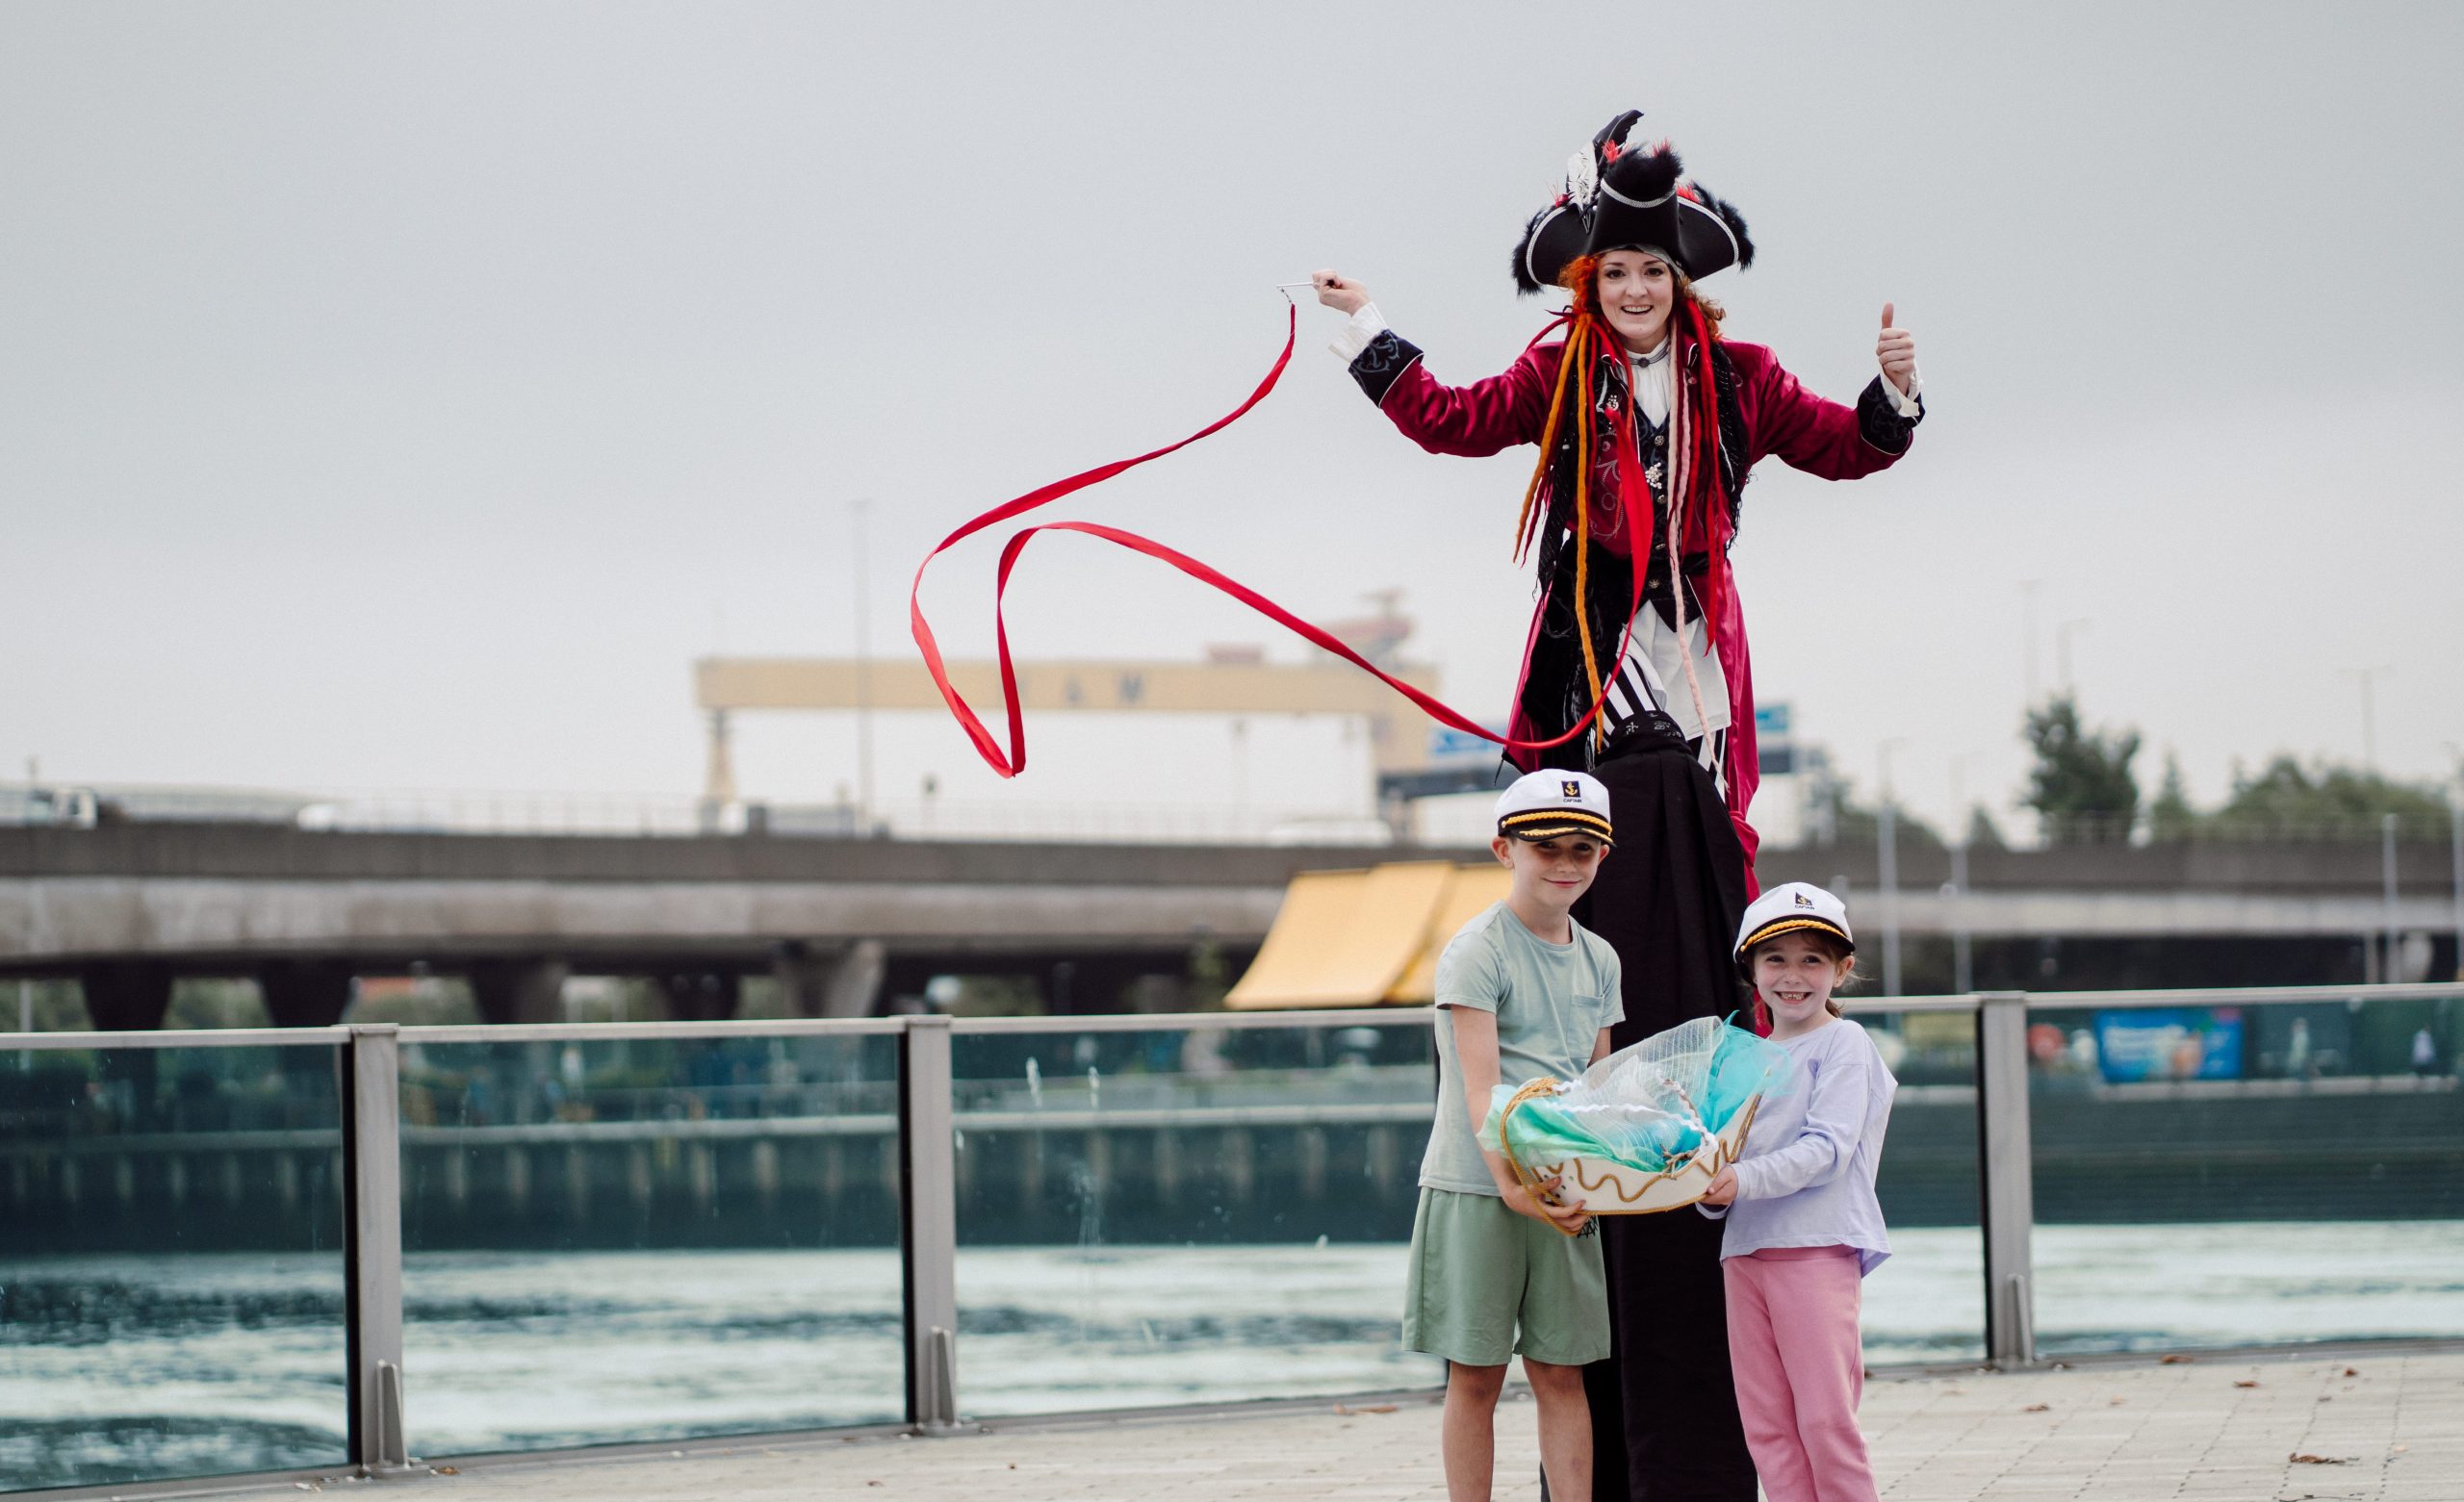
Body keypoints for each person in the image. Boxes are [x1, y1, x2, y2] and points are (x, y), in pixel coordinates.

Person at [1316, 109, 1923, 1501]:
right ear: (1586, 280)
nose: (1634, 289)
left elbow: (1854, 449)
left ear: (1682, 277)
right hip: (1585, 693)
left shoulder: (1744, 377)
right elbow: (1451, 421)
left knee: (1701, 955)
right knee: (1583, 944)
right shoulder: (1558, 372)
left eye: (1652, 270)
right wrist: (1368, 328)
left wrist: (1894, 390)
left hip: (1698, 700)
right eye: (1613, 271)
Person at [1408, 768, 1625, 1502]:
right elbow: (1478, 1085)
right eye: (1547, 848)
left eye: (1582, 850)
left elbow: (1598, 1088)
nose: (1565, 863)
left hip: (1562, 1188)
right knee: (1476, 1375)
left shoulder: (1602, 958)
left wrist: (1607, 1174)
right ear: (1504, 850)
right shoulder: (1477, 949)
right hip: (1478, 1184)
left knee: (1564, 1372)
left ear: (1603, 856)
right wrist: (1510, 1182)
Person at [1699, 882, 1897, 1502]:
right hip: (1745, 1254)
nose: (1793, 976)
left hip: (1817, 1251)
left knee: (1825, 1422)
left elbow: (1829, 1148)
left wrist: (1738, 1179)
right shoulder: (1741, 1058)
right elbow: (1720, 1159)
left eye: (1812, 959)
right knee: (1769, 1431)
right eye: (1775, 959)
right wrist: (1708, 1189)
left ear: (1843, 970)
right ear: (1751, 971)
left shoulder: (1847, 1043)